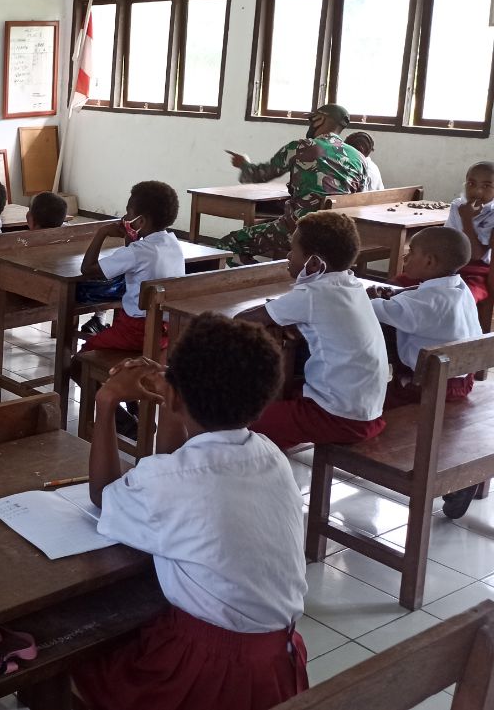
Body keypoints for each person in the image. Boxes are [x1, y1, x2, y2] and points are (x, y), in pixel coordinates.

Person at [72, 315, 308, 710]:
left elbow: (103, 496)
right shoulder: (269, 454)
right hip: (278, 662)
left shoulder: (170, 481)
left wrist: (107, 401)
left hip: (207, 671)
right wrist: (172, 398)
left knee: (78, 661)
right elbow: (174, 466)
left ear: (177, 398)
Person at [239, 211, 389, 451]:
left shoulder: (313, 295)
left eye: (293, 250)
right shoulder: (351, 284)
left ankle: (256, 468)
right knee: (274, 394)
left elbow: (244, 320)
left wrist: (279, 314)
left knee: (240, 422)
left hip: (337, 417)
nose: (288, 255)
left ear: (315, 263)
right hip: (366, 411)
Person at [221, 103, 365, 264]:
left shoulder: (300, 147)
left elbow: (257, 175)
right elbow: (359, 198)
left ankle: (260, 282)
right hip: (337, 236)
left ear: (321, 120)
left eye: (311, 119)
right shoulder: (358, 158)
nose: (310, 124)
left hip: (300, 229)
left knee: (227, 244)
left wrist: (243, 164)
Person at [370, 227, 480, 408]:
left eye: (411, 252)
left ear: (429, 261)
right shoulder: (460, 287)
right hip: (462, 379)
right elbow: (425, 295)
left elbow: (375, 310)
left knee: (371, 400)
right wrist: (400, 292)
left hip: (431, 386)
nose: (405, 258)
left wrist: (373, 298)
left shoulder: (423, 303)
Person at [77, 181, 183, 353]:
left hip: (136, 331)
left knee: (84, 355)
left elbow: (87, 269)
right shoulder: (173, 243)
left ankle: (111, 379)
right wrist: (130, 241)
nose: (125, 218)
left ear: (140, 221)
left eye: (128, 213)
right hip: (164, 330)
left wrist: (101, 232)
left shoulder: (136, 252)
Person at [443, 161, 494, 304]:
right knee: (405, 282)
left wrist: (467, 219)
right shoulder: (457, 206)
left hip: (480, 272)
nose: (477, 191)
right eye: (471, 184)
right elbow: (447, 238)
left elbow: (476, 255)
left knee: (460, 297)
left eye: (486, 186)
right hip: (451, 265)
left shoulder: (492, 213)